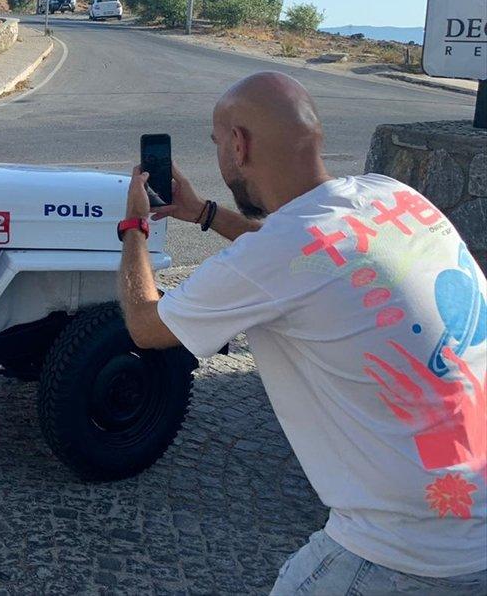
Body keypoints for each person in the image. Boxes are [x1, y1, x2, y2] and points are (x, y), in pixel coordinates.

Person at [116, 71, 485, 593]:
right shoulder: (392, 196)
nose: (221, 155)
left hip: (407, 550)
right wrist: (203, 214)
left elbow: (145, 325)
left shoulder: (281, 250)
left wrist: (133, 228)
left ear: (239, 146)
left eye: (218, 143)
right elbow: (301, 251)